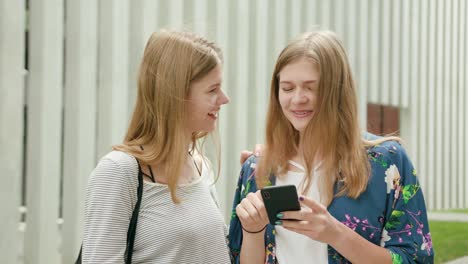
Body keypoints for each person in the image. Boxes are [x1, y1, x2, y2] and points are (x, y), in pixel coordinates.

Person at [228, 31, 434, 264]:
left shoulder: (387, 163)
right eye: (287, 88)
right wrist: (253, 231)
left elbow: (416, 259)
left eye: (310, 87)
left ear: (336, 91)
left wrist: (335, 233)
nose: (297, 99)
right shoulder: (257, 169)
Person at [82, 30, 231, 263]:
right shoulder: (118, 172)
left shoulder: (201, 166)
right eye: (212, 89)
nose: (224, 98)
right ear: (174, 94)